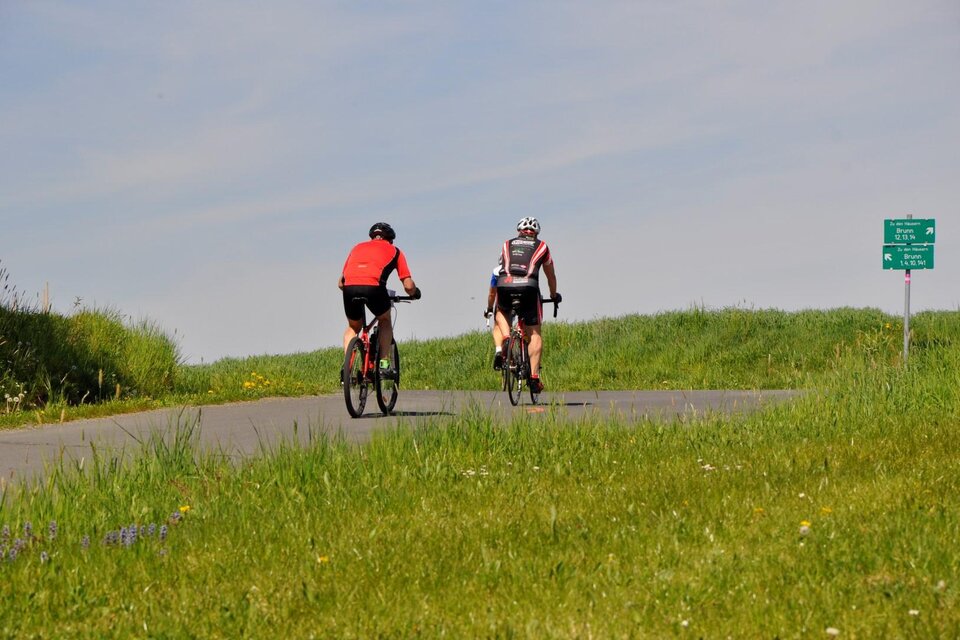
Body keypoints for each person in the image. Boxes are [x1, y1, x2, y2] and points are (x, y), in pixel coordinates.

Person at [339, 222, 420, 379]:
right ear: (390, 239)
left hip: (349, 288)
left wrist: (354, 287)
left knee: (353, 327)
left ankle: (347, 368)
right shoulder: (395, 251)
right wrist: (415, 293)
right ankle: (383, 365)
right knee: (384, 320)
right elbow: (408, 286)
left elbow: (341, 283)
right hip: (374, 288)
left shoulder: (357, 248)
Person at [492, 216, 561, 392]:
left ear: (519, 231)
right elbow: (550, 275)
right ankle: (535, 378)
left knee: (501, 311)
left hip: (505, 284)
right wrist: (554, 295)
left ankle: (507, 339)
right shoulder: (542, 246)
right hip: (529, 287)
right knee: (535, 333)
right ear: (536, 233)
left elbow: (500, 265)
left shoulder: (507, 244)